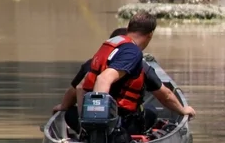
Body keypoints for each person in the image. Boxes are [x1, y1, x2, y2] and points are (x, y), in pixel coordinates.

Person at [53, 21, 196, 135]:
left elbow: (74, 91)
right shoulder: (141, 66)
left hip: (90, 122)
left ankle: (85, 134)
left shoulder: (93, 63)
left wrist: (63, 107)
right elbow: (165, 96)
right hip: (126, 124)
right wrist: (183, 110)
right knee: (151, 110)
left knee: (70, 113)